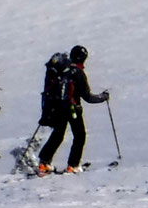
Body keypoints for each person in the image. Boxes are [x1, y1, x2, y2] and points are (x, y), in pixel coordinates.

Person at [37, 44, 108, 174]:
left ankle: (44, 163)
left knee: (58, 135)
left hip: (57, 108)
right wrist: (103, 97)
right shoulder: (78, 72)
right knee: (79, 136)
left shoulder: (59, 70)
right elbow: (88, 97)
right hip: (72, 109)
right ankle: (73, 165)